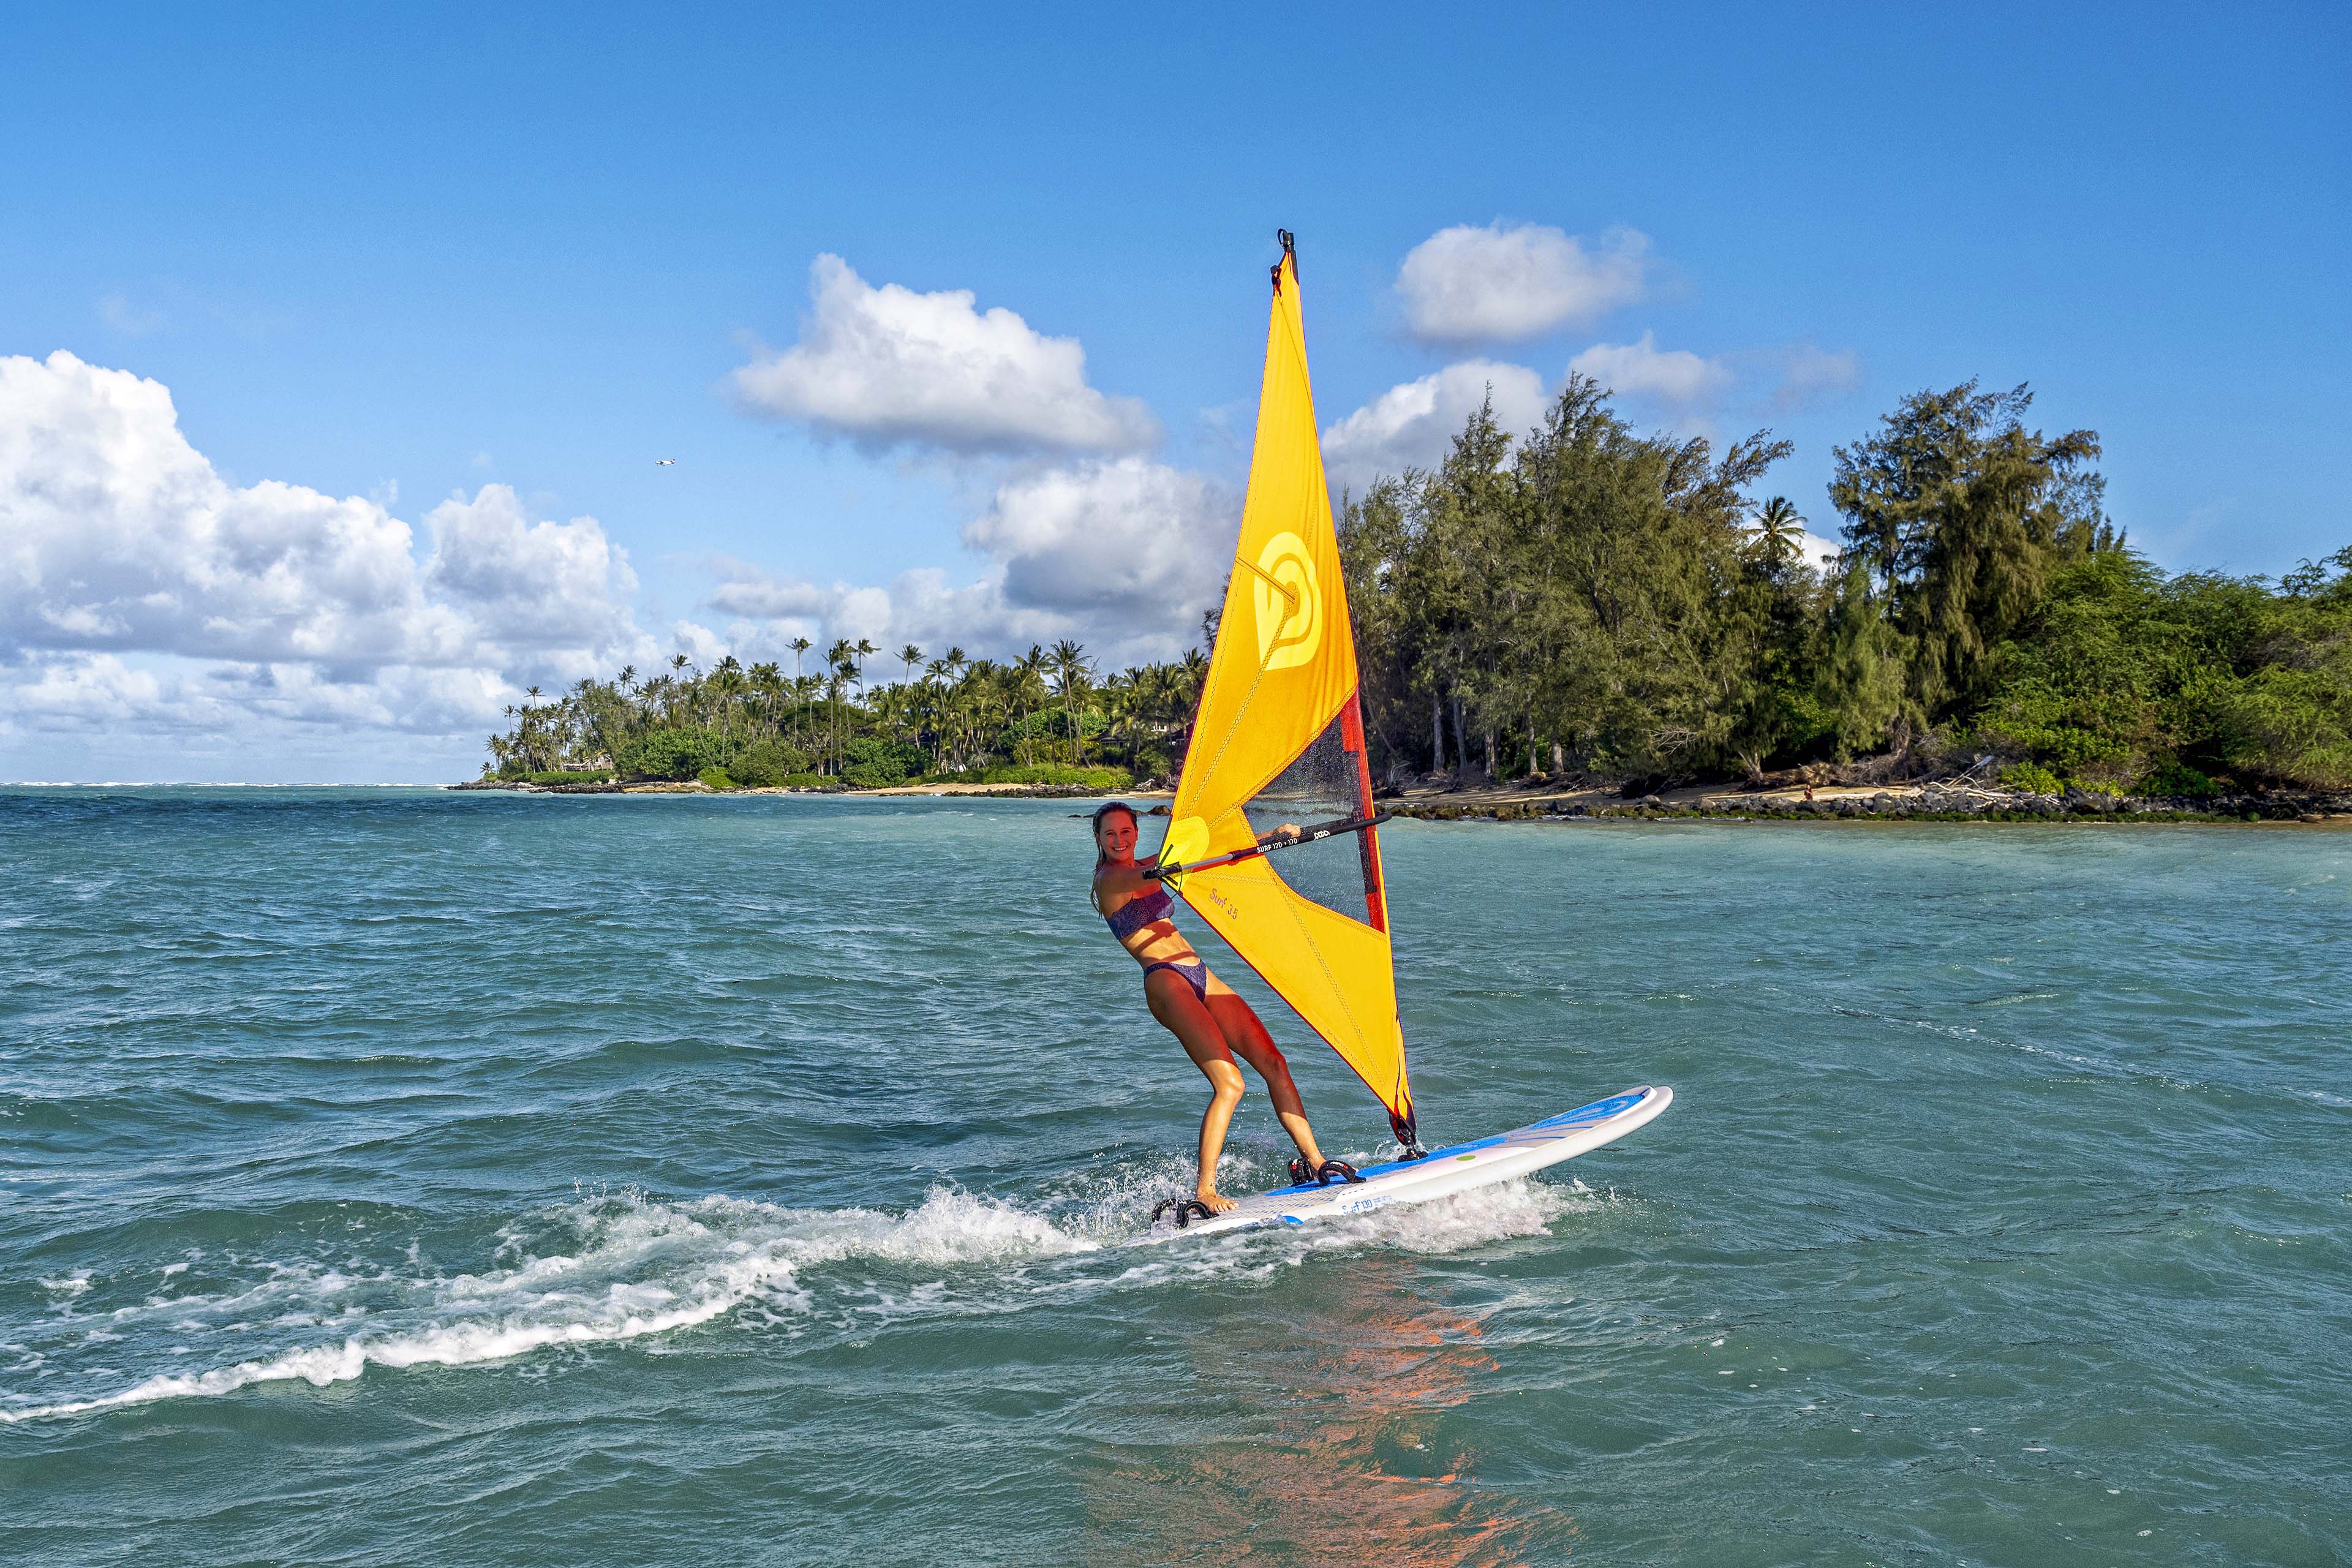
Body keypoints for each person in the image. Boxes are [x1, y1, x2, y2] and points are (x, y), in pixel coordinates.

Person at [1088, 801, 1355, 1217]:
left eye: (1126, 832)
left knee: (1274, 1061)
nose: (1119, 840)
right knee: (1230, 1083)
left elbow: (1203, 861)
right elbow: (1162, 867)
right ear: (1099, 840)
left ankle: (1317, 1162)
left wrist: (1271, 839)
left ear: (1136, 833)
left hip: (1200, 973)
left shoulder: (1150, 862)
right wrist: (1180, 862)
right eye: (1110, 834)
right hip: (1165, 980)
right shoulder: (1111, 879)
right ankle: (1206, 1190)